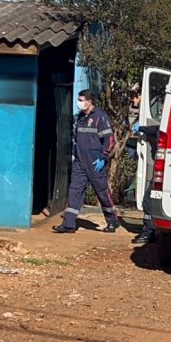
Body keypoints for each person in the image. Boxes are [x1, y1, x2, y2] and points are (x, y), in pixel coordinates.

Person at [53, 90, 120, 234]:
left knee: (102, 192)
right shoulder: (80, 117)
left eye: (81, 100)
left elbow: (109, 140)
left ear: (89, 102)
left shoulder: (100, 117)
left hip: (95, 162)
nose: (79, 103)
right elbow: (76, 138)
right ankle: (69, 224)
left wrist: (103, 157)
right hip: (80, 162)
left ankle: (112, 221)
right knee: (74, 191)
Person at [130, 121, 160, 244]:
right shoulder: (164, 129)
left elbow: (156, 130)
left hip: (164, 172)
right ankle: (151, 232)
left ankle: (148, 233)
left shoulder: (164, 130)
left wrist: (140, 128)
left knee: (148, 201)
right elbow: (154, 129)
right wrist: (142, 128)